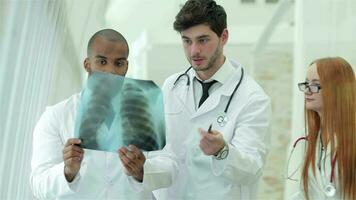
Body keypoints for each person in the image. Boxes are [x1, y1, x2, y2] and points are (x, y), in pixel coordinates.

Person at [30, 29, 177, 199]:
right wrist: (67, 171)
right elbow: (38, 183)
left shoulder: (147, 111)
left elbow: (171, 167)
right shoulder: (55, 117)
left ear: (126, 67)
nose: (111, 71)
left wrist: (142, 171)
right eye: (102, 61)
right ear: (87, 64)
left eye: (119, 63)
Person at [153, 0, 271, 199]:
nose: (194, 51)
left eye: (203, 40)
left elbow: (252, 169)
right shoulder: (171, 86)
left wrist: (222, 151)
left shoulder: (253, 98)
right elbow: (161, 152)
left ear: (223, 36)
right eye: (186, 41)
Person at [294, 57, 356, 200]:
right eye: (306, 84)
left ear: (337, 90)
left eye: (315, 85)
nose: (307, 91)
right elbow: (306, 193)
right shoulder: (309, 137)